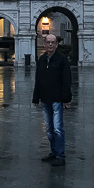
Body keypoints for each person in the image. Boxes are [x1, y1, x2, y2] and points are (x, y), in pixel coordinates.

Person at [32, 34, 72, 167]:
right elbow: (38, 79)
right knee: (49, 129)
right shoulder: (42, 59)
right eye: (48, 42)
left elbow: (67, 80)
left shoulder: (62, 59)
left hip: (57, 99)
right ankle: (54, 152)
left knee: (58, 129)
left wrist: (66, 98)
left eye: (52, 42)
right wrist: (36, 97)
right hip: (45, 98)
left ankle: (60, 156)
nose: (50, 44)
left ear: (56, 44)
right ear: (45, 43)